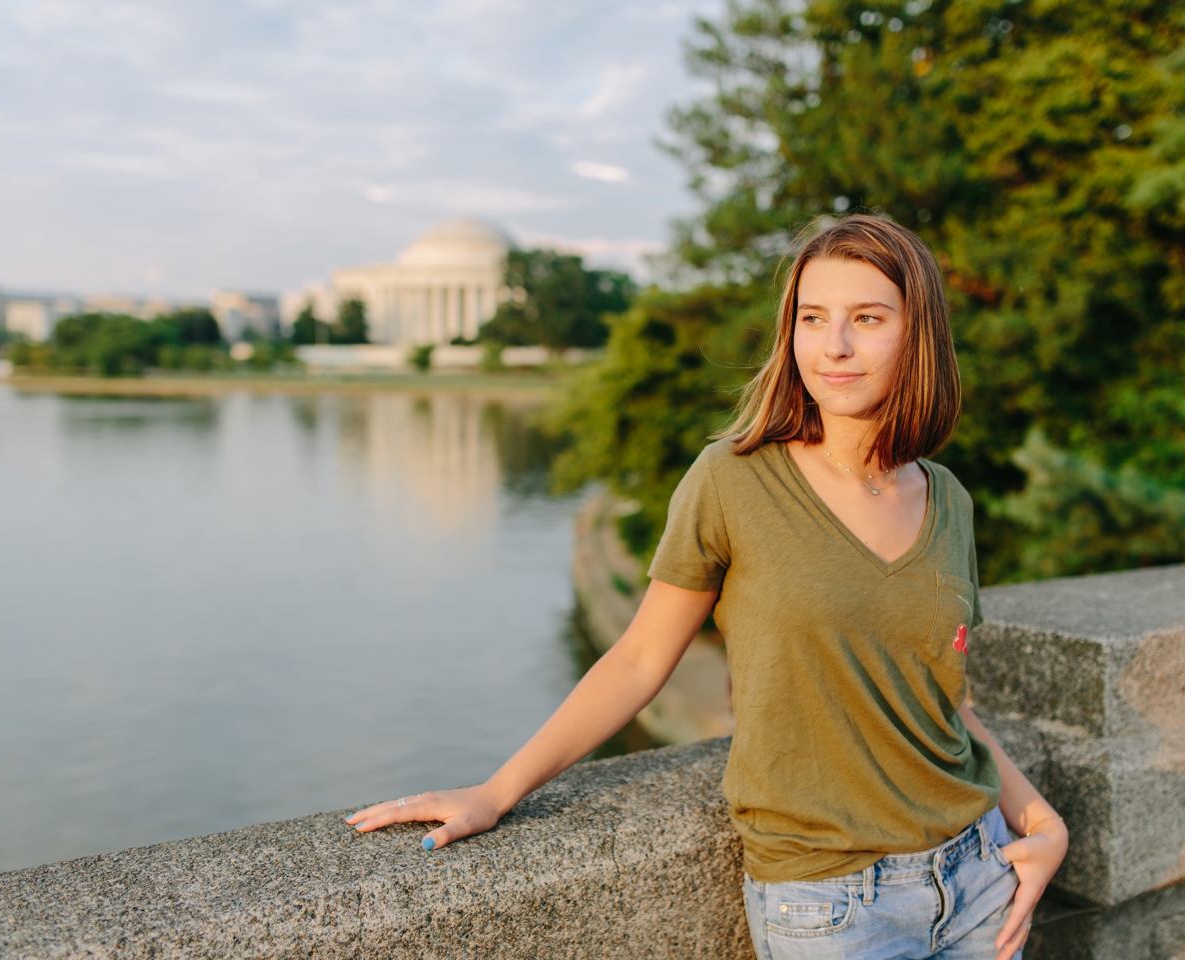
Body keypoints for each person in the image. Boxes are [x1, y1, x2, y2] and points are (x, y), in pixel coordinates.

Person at [348, 214, 1069, 960]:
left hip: (980, 881)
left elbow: (944, 700)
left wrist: (1043, 823)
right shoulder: (732, 479)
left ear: (917, 336)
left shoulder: (947, 498)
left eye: (868, 319)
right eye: (812, 318)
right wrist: (495, 793)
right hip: (832, 906)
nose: (835, 346)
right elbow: (638, 660)